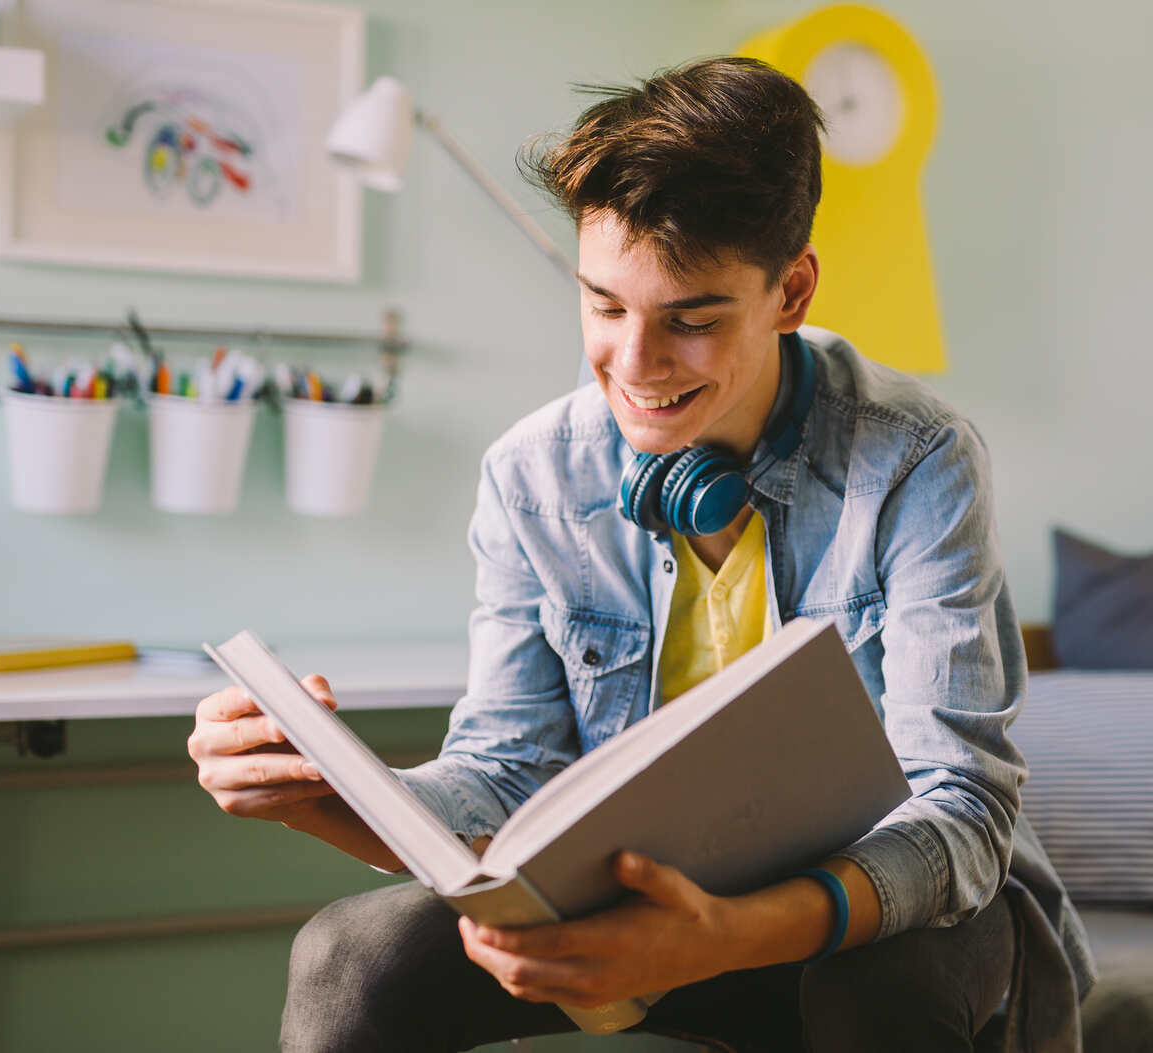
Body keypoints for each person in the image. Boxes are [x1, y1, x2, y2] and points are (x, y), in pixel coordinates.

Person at [188, 56, 1095, 1052]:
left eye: (690, 321)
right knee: (349, 958)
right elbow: (501, 775)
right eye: (603, 306)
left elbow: (958, 814)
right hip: (644, 919)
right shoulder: (533, 475)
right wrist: (321, 792)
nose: (632, 364)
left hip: (866, 916)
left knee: (876, 996)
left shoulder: (915, 460)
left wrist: (718, 937)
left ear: (789, 291)